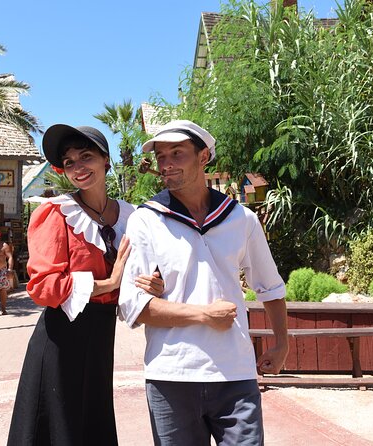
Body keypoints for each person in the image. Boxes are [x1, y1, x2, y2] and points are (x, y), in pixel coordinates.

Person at [119, 120, 289, 446]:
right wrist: (202, 316)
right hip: (171, 376)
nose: (166, 163)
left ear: (204, 156)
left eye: (177, 153)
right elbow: (133, 307)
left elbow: (270, 286)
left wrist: (282, 343)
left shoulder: (241, 219)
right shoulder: (146, 220)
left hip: (235, 375)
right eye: (161, 156)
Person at [7, 124, 164, 445]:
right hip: (60, 337)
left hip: (102, 334)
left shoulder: (132, 216)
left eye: (86, 157)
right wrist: (109, 283)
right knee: (58, 427)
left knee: (93, 421)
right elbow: (44, 286)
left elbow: (141, 277)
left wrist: (153, 285)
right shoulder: (55, 212)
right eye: (69, 162)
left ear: (106, 160)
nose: (78, 168)